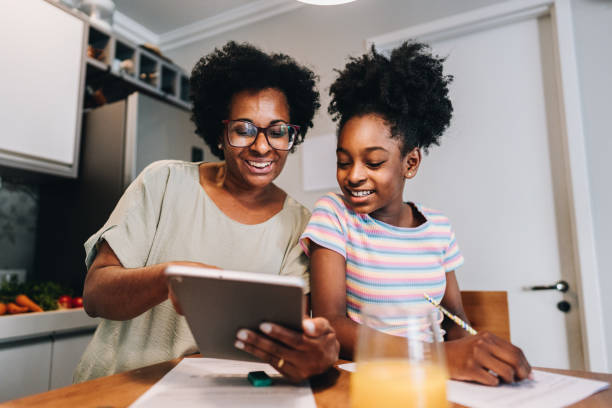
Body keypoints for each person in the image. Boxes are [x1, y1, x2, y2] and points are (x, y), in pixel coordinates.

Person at [74, 41, 339, 383]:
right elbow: (95, 296)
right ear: (220, 131)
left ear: (293, 134)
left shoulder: (301, 225)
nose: (261, 146)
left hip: (211, 397)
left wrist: (313, 354)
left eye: (277, 131)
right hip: (112, 389)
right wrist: (168, 277)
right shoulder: (164, 180)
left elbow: (288, 343)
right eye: (244, 129)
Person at [300, 41, 532, 386]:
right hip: (368, 380)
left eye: (374, 162)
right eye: (343, 161)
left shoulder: (438, 227)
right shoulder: (334, 214)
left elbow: (454, 322)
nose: (354, 175)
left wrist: (479, 355)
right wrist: (433, 358)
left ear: (410, 163)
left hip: (433, 378)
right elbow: (331, 321)